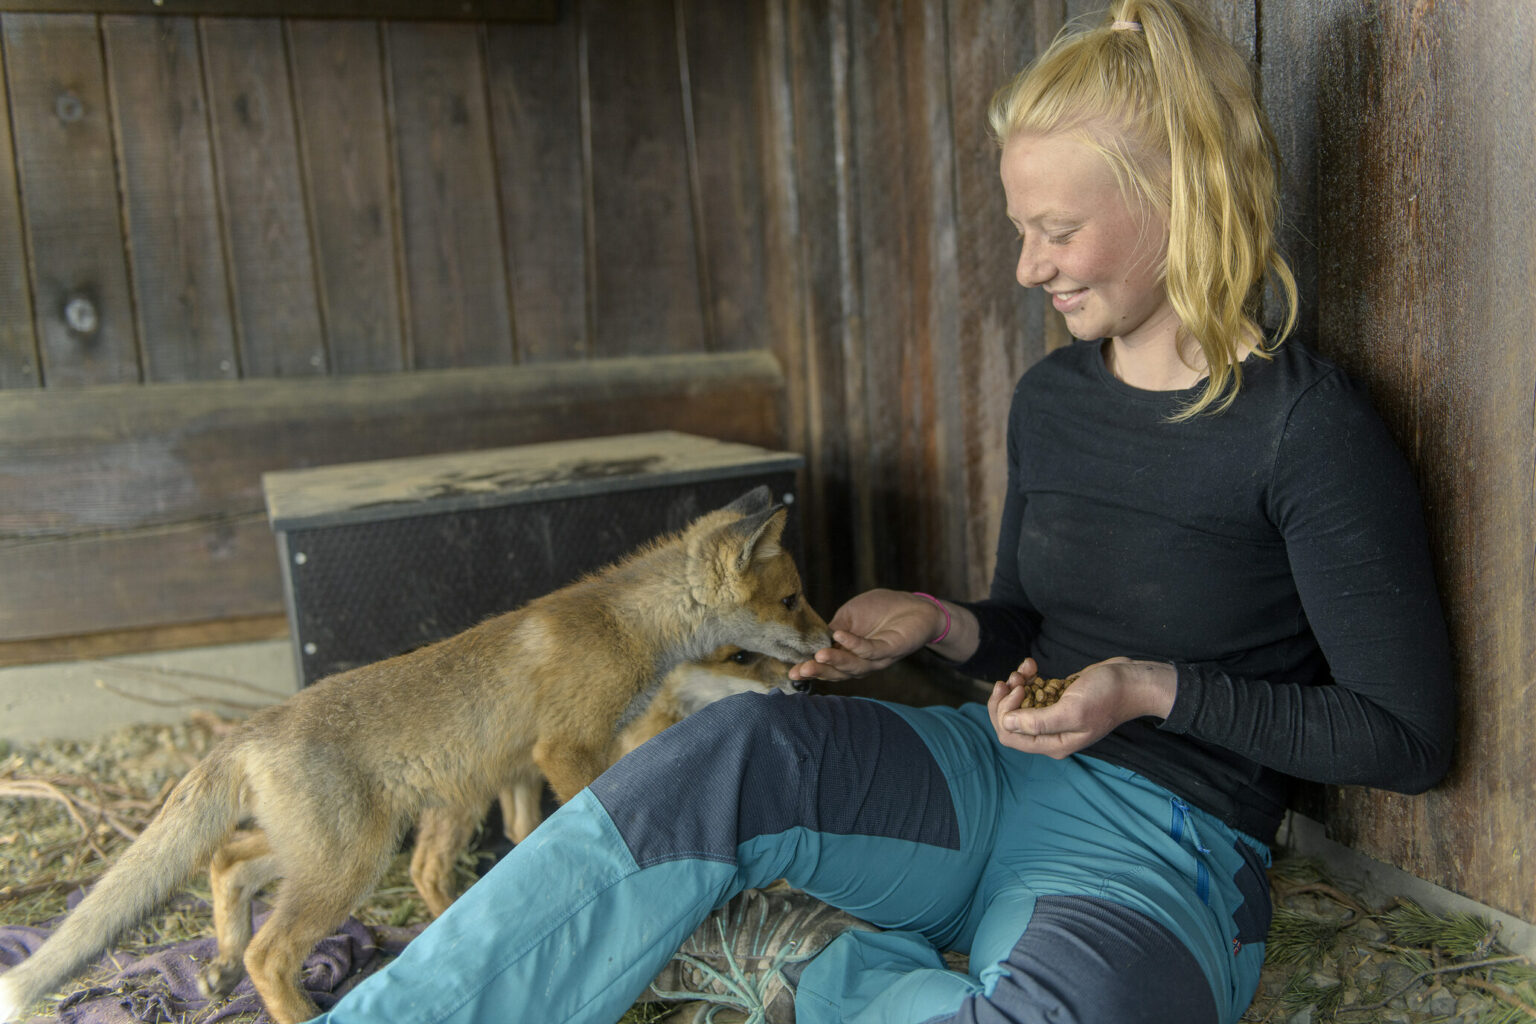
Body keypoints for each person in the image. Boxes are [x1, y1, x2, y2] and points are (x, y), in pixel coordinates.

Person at [302, 1, 1454, 1022]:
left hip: (1164, 846)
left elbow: (1406, 738)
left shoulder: (1307, 428)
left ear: (1179, 198)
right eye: (1019, 228)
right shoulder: (1053, 398)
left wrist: (1150, 687)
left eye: (1057, 231)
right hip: (979, 776)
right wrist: (945, 627)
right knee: (730, 747)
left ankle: (828, 971)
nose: (1025, 266)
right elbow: (1028, 625)